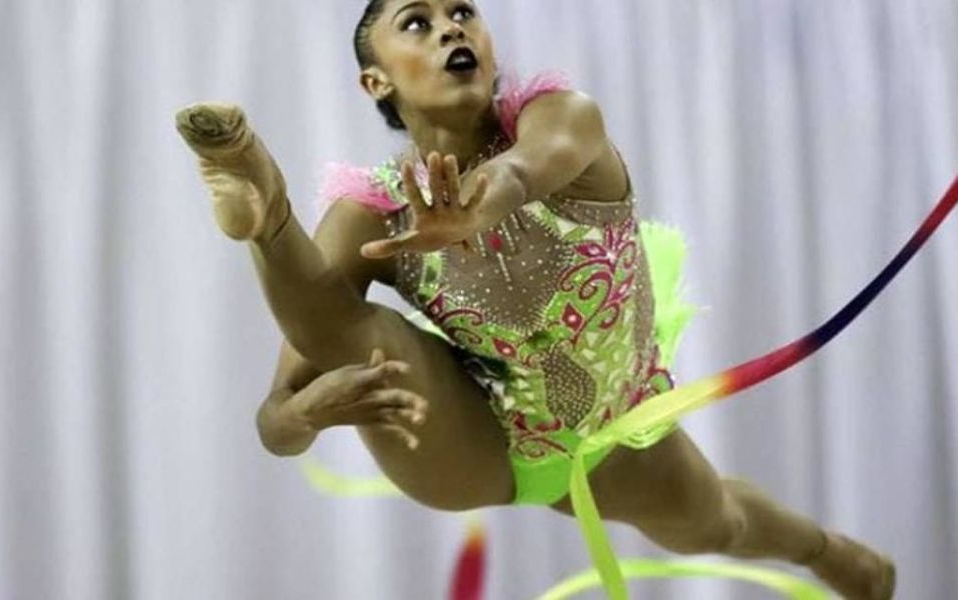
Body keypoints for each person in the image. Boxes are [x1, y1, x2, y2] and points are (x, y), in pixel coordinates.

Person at [174, 1, 895, 597]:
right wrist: (305, 412)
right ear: (375, 82)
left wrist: (476, 211)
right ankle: (267, 216)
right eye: (417, 23)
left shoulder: (560, 117)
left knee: (721, 526)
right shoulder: (372, 213)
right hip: (473, 443)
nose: (452, 27)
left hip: (621, 429)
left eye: (462, 12)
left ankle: (827, 552)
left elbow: (522, 172)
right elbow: (275, 423)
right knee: (362, 338)